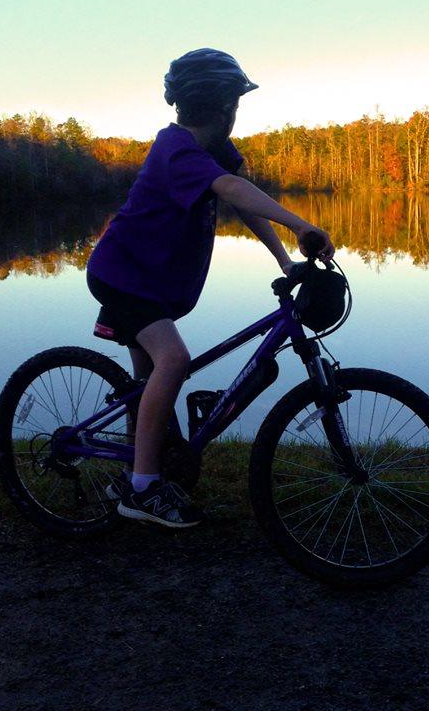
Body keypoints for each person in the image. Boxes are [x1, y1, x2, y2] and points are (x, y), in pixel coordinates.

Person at [86, 48, 334, 528]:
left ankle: (135, 471)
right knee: (174, 361)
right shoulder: (175, 148)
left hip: (150, 281)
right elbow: (234, 191)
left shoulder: (211, 152)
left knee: (146, 385)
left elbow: (244, 203)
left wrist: (284, 257)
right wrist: (303, 224)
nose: (237, 112)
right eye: (236, 103)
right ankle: (142, 490)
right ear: (223, 106)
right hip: (124, 277)